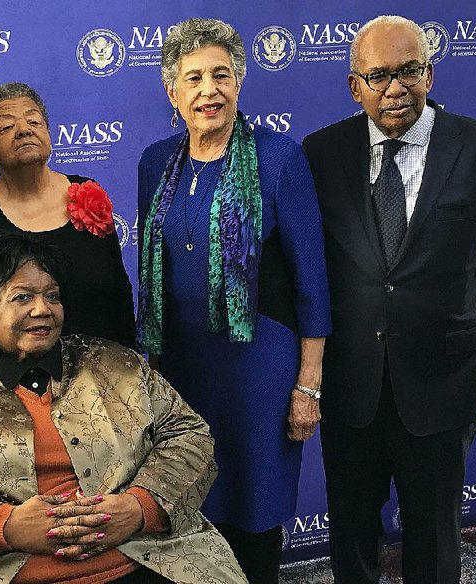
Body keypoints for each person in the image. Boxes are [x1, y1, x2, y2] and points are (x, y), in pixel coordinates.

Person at [0, 233, 247, 584]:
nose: (43, 309)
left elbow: (188, 433)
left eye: (52, 296)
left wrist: (139, 508)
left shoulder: (117, 365)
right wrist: (2, 526)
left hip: (141, 562)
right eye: (22, 297)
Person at [302, 15, 476, 584]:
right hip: (352, 384)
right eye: (378, 76)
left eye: (408, 71)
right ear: (356, 86)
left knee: (436, 540)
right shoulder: (322, 154)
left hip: (443, 383)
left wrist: (455, 327)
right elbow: (313, 267)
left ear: (429, 72)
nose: (394, 88)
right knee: (351, 536)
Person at [136, 17, 331, 583]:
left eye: (221, 75)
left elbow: (312, 281)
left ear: (240, 84)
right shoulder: (154, 161)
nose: (208, 90)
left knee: (255, 504)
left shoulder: (278, 157)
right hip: (182, 369)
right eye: (193, 78)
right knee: (189, 502)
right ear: (172, 91)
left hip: (262, 370)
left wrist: (307, 385)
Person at [0, 82, 135, 352]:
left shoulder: (88, 193)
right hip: (9, 383)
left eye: (34, 121)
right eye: (7, 127)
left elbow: (120, 296)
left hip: (100, 379)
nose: (24, 130)